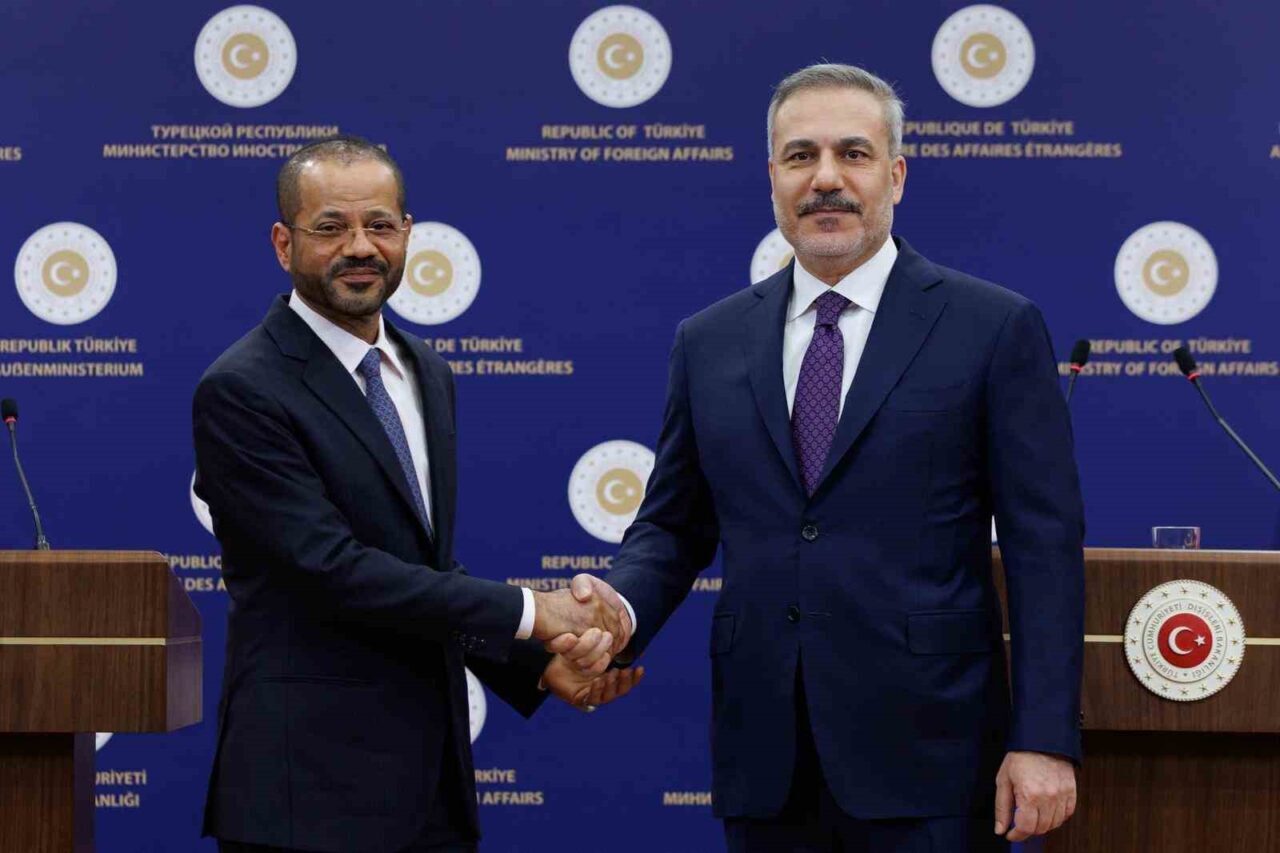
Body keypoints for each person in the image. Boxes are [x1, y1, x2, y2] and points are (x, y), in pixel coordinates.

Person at [586, 64, 1086, 851]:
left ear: (896, 175)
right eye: (800, 156)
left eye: (853, 153)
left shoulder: (992, 328)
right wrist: (619, 615)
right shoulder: (708, 342)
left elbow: (1042, 546)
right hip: (767, 759)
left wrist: (1046, 736)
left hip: (935, 758)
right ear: (772, 179)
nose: (825, 178)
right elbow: (673, 528)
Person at [192, 136, 639, 853]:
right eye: (331, 227)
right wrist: (534, 612)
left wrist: (535, 663)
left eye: (380, 224)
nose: (360, 247)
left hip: (431, 789)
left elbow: (419, 568)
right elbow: (332, 571)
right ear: (283, 243)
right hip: (306, 796)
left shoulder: (424, 370)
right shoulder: (242, 389)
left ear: (406, 233)